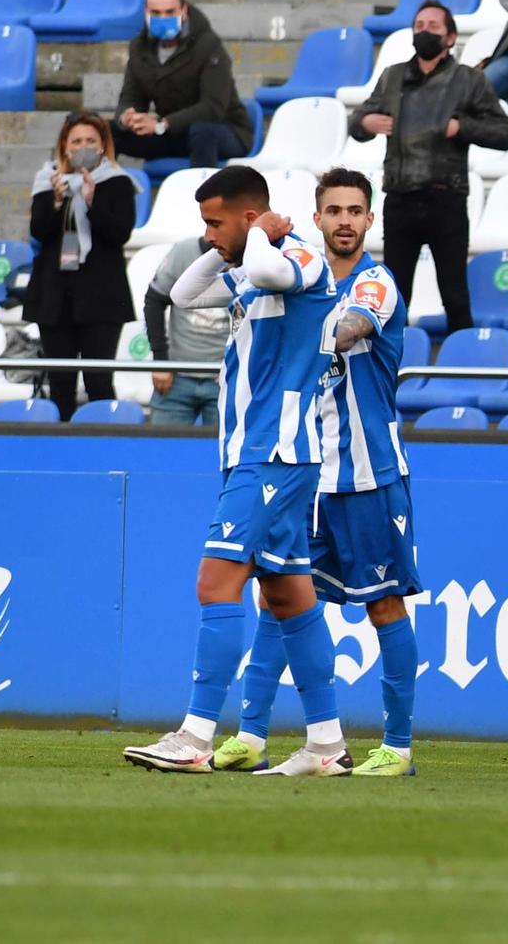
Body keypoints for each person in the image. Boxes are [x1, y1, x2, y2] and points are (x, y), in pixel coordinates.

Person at [120, 166, 349, 775]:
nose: (207, 234)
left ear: (250, 216)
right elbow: (186, 295)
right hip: (260, 451)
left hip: (274, 451)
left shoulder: (298, 256)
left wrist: (259, 239)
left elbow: (271, 270)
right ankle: (327, 743)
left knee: (215, 581)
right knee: (288, 594)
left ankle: (195, 737)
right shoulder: (253, 257)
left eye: (214, 222)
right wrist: (231, 242)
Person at [210, 168, 422, 777]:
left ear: (370, 220)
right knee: (278, 598)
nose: (346, 221)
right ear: (318, 216)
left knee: (383, 606)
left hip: (365, 473)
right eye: (334, 211)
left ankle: (398, 747)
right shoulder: (300, 276)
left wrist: (326, 334)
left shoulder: (374, 283)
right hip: (303, 468)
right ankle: (251, 735)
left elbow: (357, 323)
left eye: (356, 210)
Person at [347, 1, 508, 329]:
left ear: (451, 38)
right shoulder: (392, 76)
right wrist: (368, 122)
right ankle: (391, 369)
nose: (424, 32)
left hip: (446, 198)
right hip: (399, 199)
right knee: (394, 296)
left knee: (454, 294)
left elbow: (505, 133)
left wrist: (462, 127)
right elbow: (356, 122)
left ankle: (462, 370)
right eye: (419, 25)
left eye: (433, 27)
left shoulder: (467, 79)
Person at [26, 110, 135, 421]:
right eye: (76, 141)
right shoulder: (47, 181)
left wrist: (91, 201)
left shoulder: (116, 181)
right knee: (60, 382)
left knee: (99, 381)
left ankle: (105, 447)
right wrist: (57, 201)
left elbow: (118, 234)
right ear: (64, 146)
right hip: (54, 295)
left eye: (90, 140)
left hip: (100, 296)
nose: (83, 146)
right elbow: (39, 231)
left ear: (103, 146)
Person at [113, 0, 253, 169]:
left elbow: (212, 108)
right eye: (155, 13)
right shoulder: (139, 48)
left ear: (184, 10)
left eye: (170, 12)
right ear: (146, 12)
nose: (163, 18)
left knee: (202, 132)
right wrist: (127, 117)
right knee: (104, 131)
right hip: (172, 133)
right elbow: (131, 97)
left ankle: (202, 195)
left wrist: (161, 125)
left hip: (223, 131)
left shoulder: (208, 45)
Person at [143, 236, 226, 426]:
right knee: (161, 450)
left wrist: (237, 367)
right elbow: (154, 300)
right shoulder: (183, 252)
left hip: (225, 377)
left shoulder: (251, 258)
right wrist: (161, 363)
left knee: (225, 452)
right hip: (175, 376)